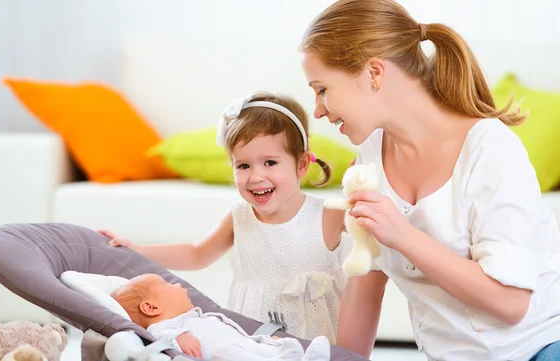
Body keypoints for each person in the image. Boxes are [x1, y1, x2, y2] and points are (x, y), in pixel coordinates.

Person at [299, 0, 560, 360]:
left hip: (539, 348)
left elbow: (511, 302)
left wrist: (404, 236)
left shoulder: (490, 149)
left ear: (374, 73)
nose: (318, 109)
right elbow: (365, 288)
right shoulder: (371, 158)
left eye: (322, 89)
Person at [100, 92, 349, 344]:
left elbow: (381, 249)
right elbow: (197, 254)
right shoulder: (239, 217)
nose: (255, 176)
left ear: (302, 164)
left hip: (317, 343)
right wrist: (137, 250)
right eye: (243, 166)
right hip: (253, 340)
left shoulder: (330, 215)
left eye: (270, 162)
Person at [110, 273, 331, 361]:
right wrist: (178, 337)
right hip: (222, 356)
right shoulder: (166, 326)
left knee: (264, 348)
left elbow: (238, 335)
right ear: (151, 307)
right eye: (167, 284)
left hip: (244, 346)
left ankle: (292, 357)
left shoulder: (201, 317)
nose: (177, 284)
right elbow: (161, 337)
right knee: (226, 352)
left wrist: (263, 340)